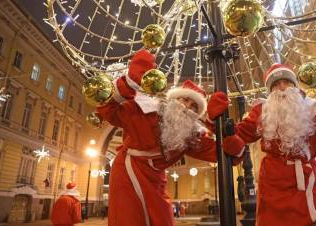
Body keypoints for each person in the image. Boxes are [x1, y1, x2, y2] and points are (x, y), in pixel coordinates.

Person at [96, 50, 243, 226]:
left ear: (196, 115)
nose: (186, 107)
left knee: (163, 219)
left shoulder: (190, 136)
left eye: (193, 107)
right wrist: (130, 82)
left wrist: (215, 123)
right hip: (128, 172)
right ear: (173, 100)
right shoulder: (147, 110)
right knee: (130, 218)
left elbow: (226, 155)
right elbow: (107, 110)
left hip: (156, 180)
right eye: (184, 100)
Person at [211, 60, 316, 226]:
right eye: (276, 84)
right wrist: (216, 121)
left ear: (295, 86)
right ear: (270, 91)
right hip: (272, 193)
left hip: (308, 190)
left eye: (287, 82)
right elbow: (237, 135)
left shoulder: (315, 109)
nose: (282, 87)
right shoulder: (263, 112)